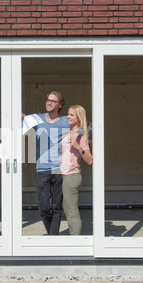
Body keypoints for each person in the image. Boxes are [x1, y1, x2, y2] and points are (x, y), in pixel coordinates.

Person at [29, 91, 70, 235]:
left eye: (53, 101)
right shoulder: (37, 119)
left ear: (60, 105)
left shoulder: (66, 121)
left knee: (56, 206)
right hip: (42, 169)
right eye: (48, 100)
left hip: (59, 169)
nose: (49, 102)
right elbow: (17, 125)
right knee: (44, 206)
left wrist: (76, 139)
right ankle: (53, 235)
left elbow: (86, 128)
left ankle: (53, 238)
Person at [59, 105, 93, 235]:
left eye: (71, 115)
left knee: (72, 209)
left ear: (79, 118)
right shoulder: (71, 133)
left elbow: (90, 160)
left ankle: (75, 240)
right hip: (64, 175)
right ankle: (73, 237)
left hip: (72, 176)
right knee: (67, 208)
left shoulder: (80, 136)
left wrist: (78, 147)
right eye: (68, 114)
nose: (68, 116)